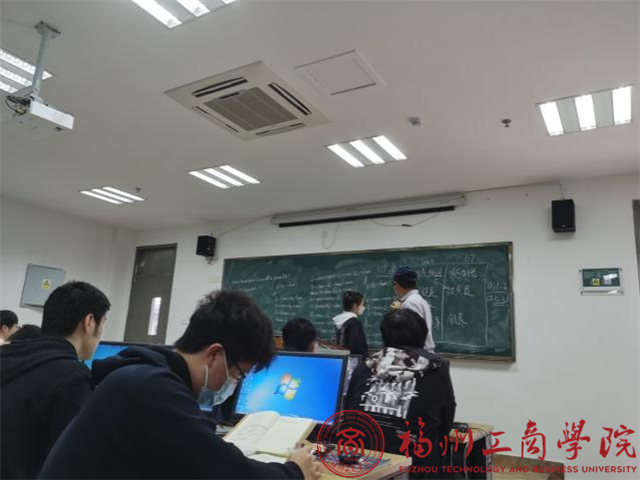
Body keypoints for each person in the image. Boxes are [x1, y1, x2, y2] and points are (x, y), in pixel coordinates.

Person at [39, 290, 321, 480]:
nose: (234, 383)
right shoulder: (153, 389)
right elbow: (225, 470)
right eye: (239, 374)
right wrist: (295, 470)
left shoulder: (142, 374)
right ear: (214, 354)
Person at [0, 281, 110, 480]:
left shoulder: (9, 356)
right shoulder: (72, 377)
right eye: (103, 323)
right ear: (89, 322)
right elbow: (71, 464)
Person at [346, 309, 456, 480]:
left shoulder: (364, 366)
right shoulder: (436, 369)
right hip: (413, 469)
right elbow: (446, 419)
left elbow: (348, 412)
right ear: (422, 337)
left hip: (358, 466)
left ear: (384, 336)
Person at [392, 266, 435, 352]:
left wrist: (396, 313)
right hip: (423, 352)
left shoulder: (409, 303)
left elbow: (412, 334)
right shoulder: (420, 300)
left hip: (417, 353)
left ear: (397, 285)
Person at [332, 290, 369, 356]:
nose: (363, 307)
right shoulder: (354, 323)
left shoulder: (341, 321)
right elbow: (357, 346)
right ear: (355, 306)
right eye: (362, 304)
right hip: (353, 359)